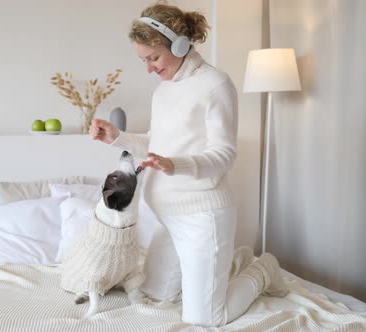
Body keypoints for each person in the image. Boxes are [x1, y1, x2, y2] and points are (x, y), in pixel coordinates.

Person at [89, 2, 289, 327]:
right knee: (156, 293)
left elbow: (224, 154)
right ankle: (222, 268)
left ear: (179, 44)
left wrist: (176, 165)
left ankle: (263, 270)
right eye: (143, 60)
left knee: (208, 318)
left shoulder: (215, 85)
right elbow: (157, 144)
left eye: (153, 58)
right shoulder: (164, 90)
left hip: (201, 217)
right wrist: (118, 137)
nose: (149, 69)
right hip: (167, 215)